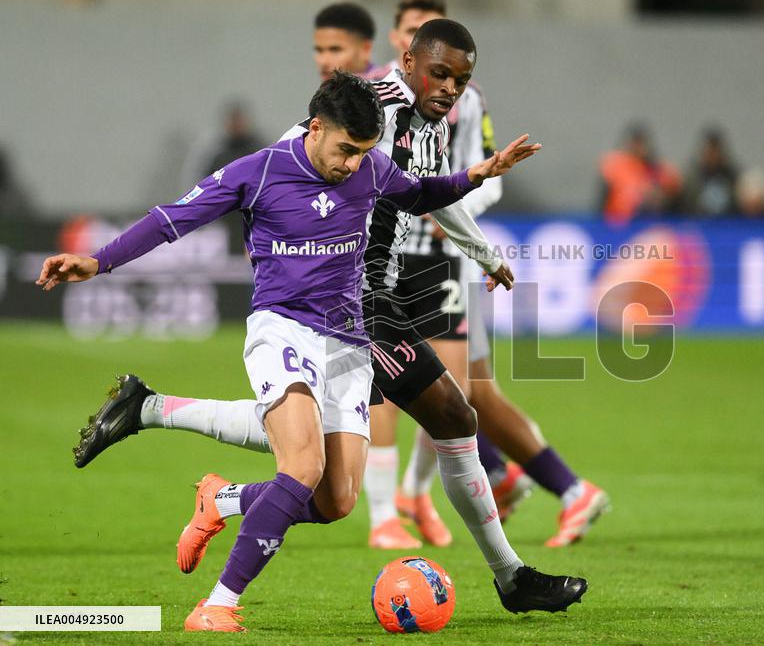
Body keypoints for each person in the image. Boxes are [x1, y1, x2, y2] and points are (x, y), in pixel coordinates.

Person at [43, 71, 586, 632]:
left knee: (336, 500)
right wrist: (98, 261)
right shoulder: (258, 171)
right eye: (346, 150)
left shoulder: (372, 167)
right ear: (316, 127)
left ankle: (213, 488)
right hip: (283, 331)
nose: (352, 165)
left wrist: (477, 173)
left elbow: (421, 194)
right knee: (301, 464)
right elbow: (169, 221)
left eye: (363, 153)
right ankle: (216, 606)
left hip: (348, 342)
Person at [375, 0, 611, 549]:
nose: (450, 86)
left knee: (454, 392)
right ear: (404, 50)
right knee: (401, 398)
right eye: (439, 70)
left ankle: (429, 498)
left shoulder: (455, 108)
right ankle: (418, 500)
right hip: (355, 271)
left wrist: (481, 251)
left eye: (459, 76)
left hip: (435, 260)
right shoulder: (375, 102)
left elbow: (447, 187)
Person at [599, 123, 682, 225]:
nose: (638, 148)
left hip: (648, 225)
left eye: (640, 143)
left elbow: (673, 197)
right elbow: (603, 198)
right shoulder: (615, 166)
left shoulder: (658, 170)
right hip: (618, 224)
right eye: (635, 143)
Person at [683, 126, 740, 217]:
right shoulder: (692, 178)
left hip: (727, 225)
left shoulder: (733, 177)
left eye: (715, 152)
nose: (712, 157)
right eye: (709, 152)